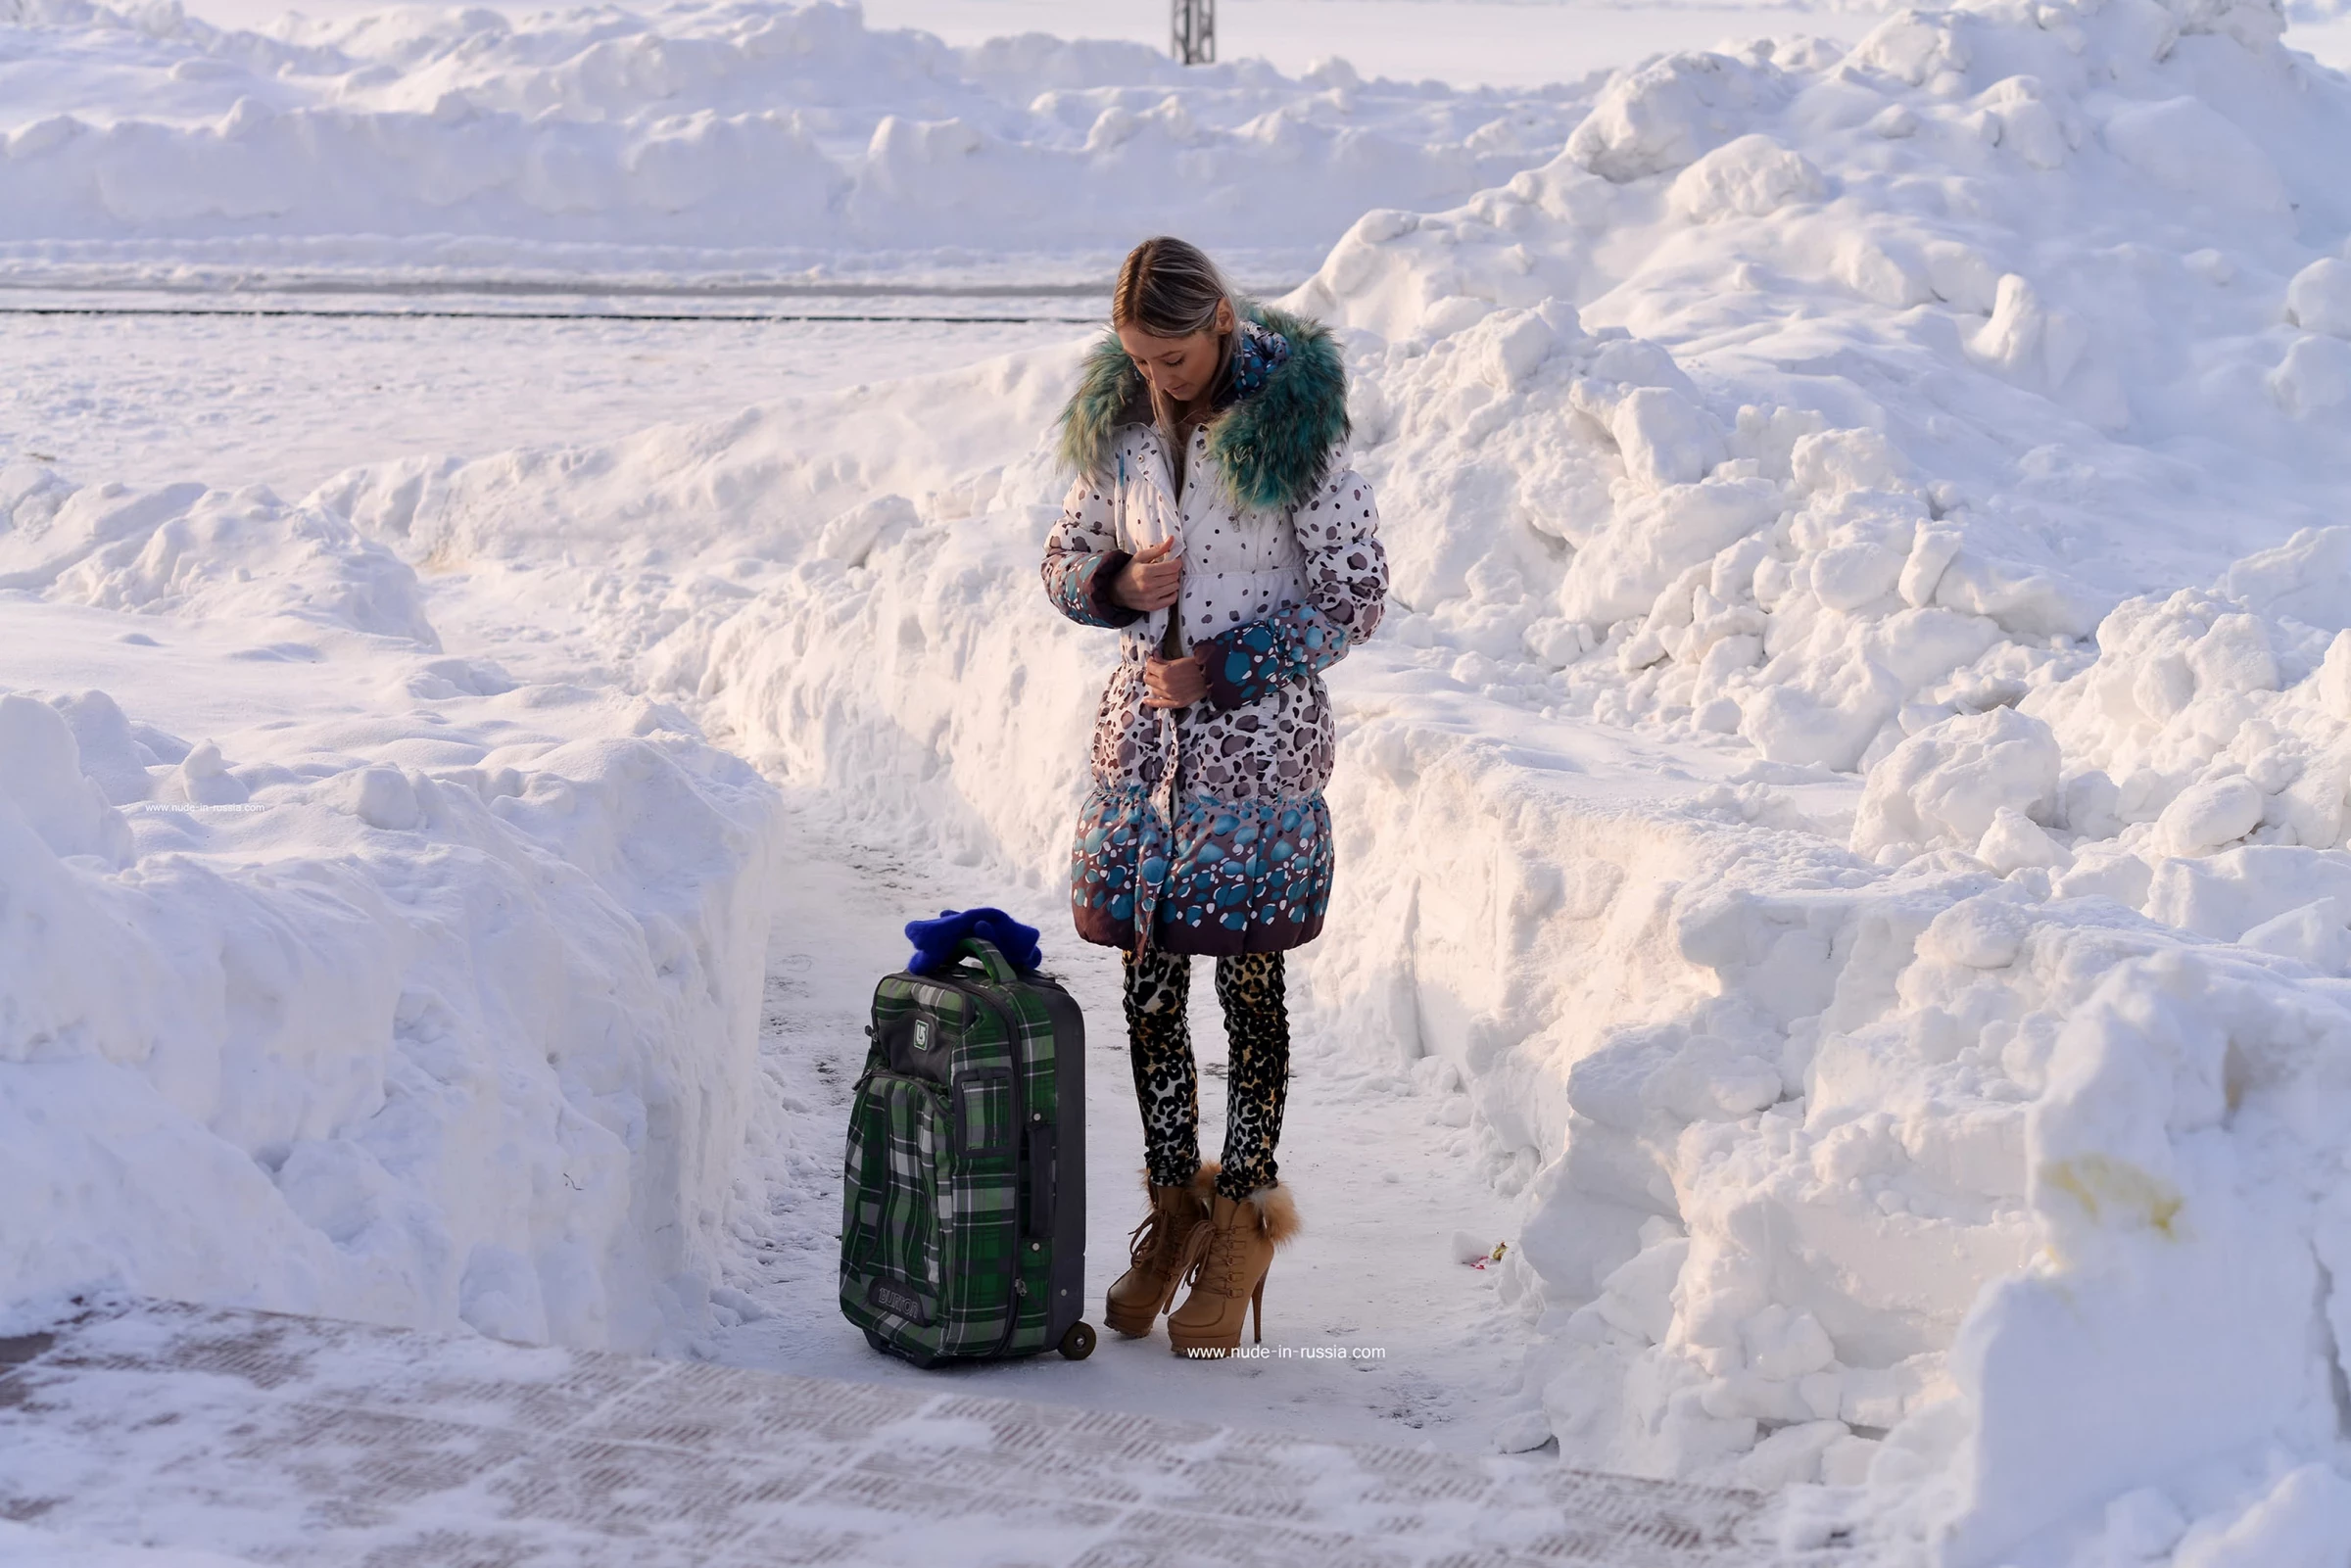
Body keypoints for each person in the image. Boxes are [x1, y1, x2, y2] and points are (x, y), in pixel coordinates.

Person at [1038, 236, 1388, 1357]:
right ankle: (1175, 1212)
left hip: (1255, 765)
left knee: (1247, 990)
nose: (1156, 377)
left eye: (1173, 356)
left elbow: (1356, 594)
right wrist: (1117, 583)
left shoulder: (1295, 436)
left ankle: (1242, 1219)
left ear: (1221, 326)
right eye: (1138, 357)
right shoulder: (1127, 428)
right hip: (1143, 763)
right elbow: (1061, 558)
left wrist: (1233, 665)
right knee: (1147, 996)